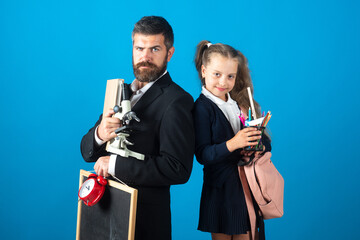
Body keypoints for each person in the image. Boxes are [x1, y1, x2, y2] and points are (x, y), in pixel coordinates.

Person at [80, 16, 195, 240]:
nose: (145, 56)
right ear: (132, 48)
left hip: (145, 223)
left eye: (154, 49)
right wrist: (100, 134)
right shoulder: (119, 91)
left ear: (169, 53)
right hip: (103, 215)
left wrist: (114, 164)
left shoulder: (177, 100)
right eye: (140, 48)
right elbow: (86, 151)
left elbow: (177, 168)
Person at [192, 40, 271, 240]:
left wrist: (255, 146)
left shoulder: (238, 104)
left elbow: (263, 142)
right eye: (216, 74)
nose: (223, 82)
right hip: (219, 190)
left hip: (244, 187)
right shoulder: (201, 107)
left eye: (230, 76)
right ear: (203, 71)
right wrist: (234, 143)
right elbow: (203, 154)